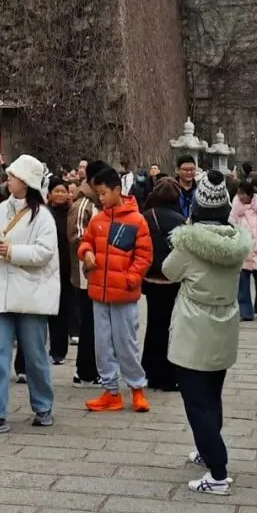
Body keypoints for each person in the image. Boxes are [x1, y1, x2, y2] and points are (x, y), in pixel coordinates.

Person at [162, 169, 252, 496]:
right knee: (212, 395)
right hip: (225, 322)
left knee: (196, 402)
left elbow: (168, 271)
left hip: (194, 325)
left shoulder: (188, 243)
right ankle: (206, 450)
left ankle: (218, 473)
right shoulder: (236, 242)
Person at [0, 155, 59, 437]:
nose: (8, 180)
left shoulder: (42, 216)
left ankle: (43, 406)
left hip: (30, 293)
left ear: (26, 181)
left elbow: (45, 253)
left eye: (13, 176)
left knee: (35, 355)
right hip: (1, 291)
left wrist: (10, 251)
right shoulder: (1, 209)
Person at [77, 163, 154, 413]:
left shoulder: (137, 220)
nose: (100, 198)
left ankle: (137, 388)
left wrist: (130, 279)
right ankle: (111, 390)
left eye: (103, 193)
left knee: (126, 343)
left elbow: (144, 256)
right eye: (98, 194)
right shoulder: (98, 220)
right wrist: (86, 253)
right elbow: (85, 243)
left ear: (116, 190)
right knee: (102, 344)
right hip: (99, 293)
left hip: (124, 294)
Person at [140, 177, 186, 392]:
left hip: (150, 278)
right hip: (172, 279)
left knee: (154, 324)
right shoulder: (181, 220)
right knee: (170, 326)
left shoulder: (146, 217)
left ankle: (149, 369)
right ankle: (168, 374)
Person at [67, 161, 103, 388]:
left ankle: (94, 368)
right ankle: (85, 371)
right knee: (89, 324)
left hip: (99, 273)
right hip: (85, 274)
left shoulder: (99, 202)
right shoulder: (83, 205)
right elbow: (77, 237)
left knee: (96, 324)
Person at [230, 178, 257, 321]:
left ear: (250, 194)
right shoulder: (235, 212)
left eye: (243, 193)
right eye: (239, 193)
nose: (240, 196)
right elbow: (231, 228)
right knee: (243, 285)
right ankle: (245, 312)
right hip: (243, 250)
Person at [45, 178, 74, 365]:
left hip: (65, 269)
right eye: (57, 191)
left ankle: (58, 351)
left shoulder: (71, 213)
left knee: (63, 311)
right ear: (49, 194)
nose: (61, 194)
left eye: (64, 191)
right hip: (47, 269)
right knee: (47, 311)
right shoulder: (44, 213)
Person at [174, 155, 198, 221]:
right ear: (178, 170)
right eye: (185, 170)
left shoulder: (200, 191)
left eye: (192, 169)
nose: (189, 172)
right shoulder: (171, 189)